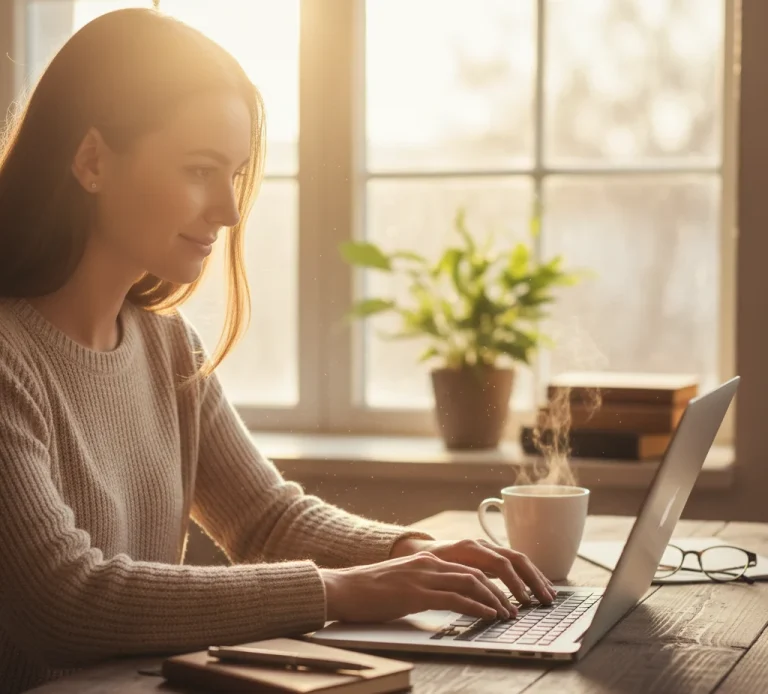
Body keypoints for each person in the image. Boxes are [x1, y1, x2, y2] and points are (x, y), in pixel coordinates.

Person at [0, 8, 555, 693]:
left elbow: (265, 518)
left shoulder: (167, 346)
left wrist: (416, 554)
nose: (229, 211)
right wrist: (345, 589)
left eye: (233, 174)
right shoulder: (9, 358)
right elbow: (65, 600)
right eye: (199, 170)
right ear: (91, 160)